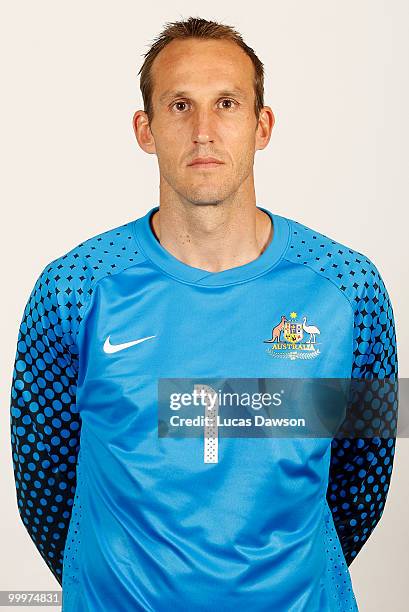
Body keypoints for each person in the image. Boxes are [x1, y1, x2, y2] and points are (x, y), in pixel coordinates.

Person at [10, 16, 398, 611]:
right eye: (179, 106)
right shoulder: (74, 289)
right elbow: (43, 480)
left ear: (262, 124)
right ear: (145, 129)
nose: (204, 132)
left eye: (226, 103)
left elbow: (364, 473)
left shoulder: (350, 289)